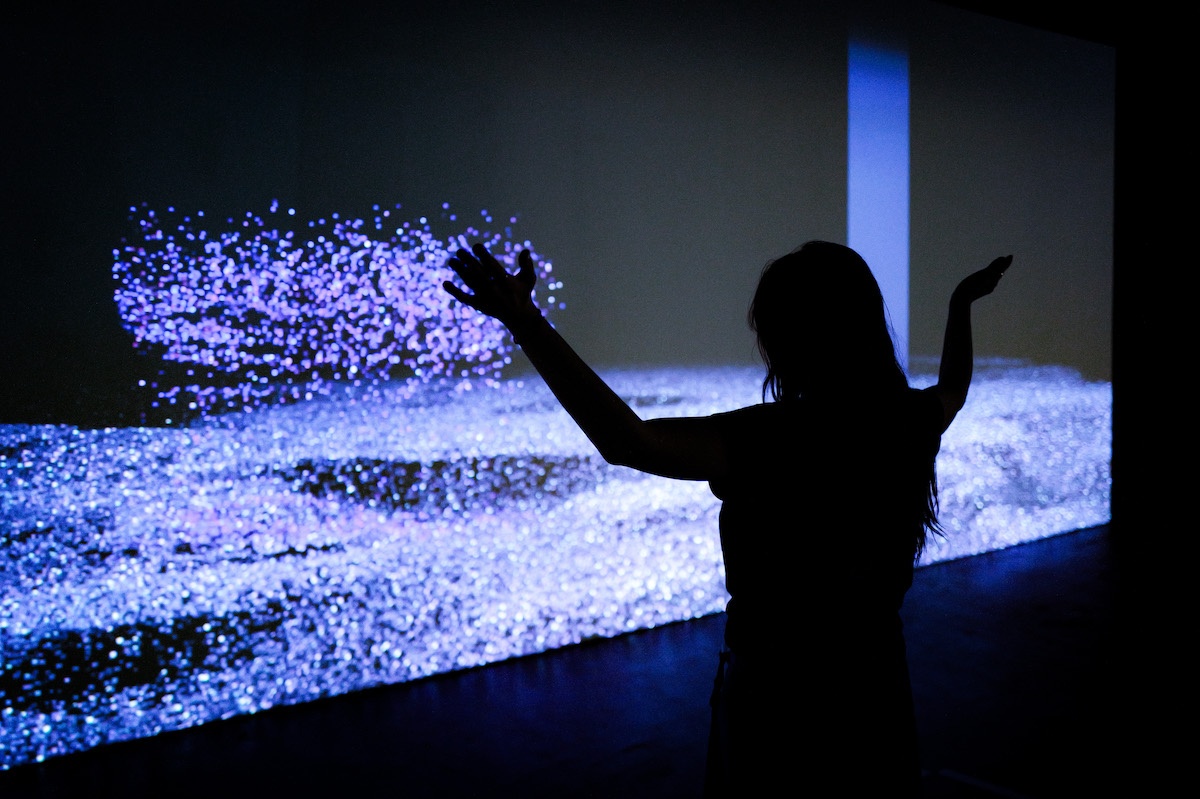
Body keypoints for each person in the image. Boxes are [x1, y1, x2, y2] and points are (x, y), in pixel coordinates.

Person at [442, 240, 1012, 796]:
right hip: (876, 683)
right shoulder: (907, 420)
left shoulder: (771, 438)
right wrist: (960, 302)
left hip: (778, 704)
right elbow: (953, 390)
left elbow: (626, 441)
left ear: (790, 338)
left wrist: (528, 324)